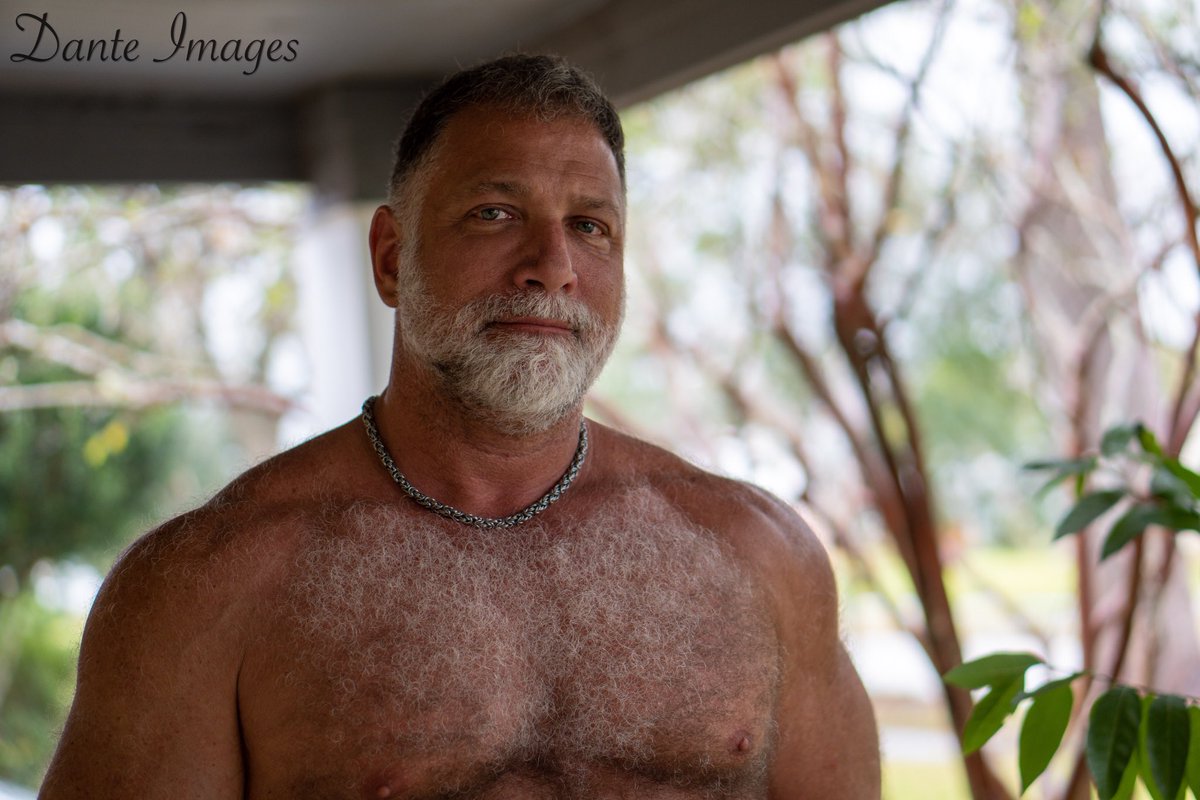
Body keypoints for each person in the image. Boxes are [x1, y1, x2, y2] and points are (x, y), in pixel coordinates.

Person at [40, 54, 880, 799]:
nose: (552, 267)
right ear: (389, 258)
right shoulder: (206, 588)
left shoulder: (758, 556)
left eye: (590, 227)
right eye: (495, 213)